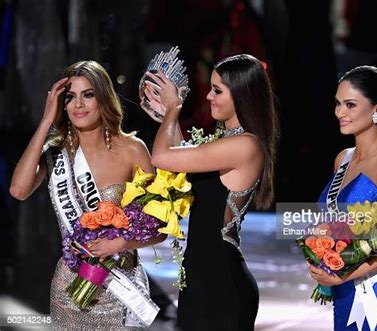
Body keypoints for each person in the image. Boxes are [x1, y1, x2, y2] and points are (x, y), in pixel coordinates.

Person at [9, 60, 164, 329]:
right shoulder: (55, 153)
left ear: (103, 98)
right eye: (70, 98)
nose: (78, 105)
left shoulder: (132, 149)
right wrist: (46, 121)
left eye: (88, 95)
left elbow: (159, 226)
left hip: (121, 287)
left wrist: (120, 244)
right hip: (69, 290)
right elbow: (18, 190)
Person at [141, 54, 278, 331]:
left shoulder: (245, 145)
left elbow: (162, 158)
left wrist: (172, 110)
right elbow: (181, 162)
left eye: (217, 90)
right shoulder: (225, 141)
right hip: (200, 278)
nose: (209, 96)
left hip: (221, 284)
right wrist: (169, 115)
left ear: (241, 94)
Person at [309, 65, 377, 330]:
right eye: (337, 103)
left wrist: (345, 274)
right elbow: (338, 225)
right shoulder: (342, 159)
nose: (339, 112)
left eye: (350, 105)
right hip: (344, 294)